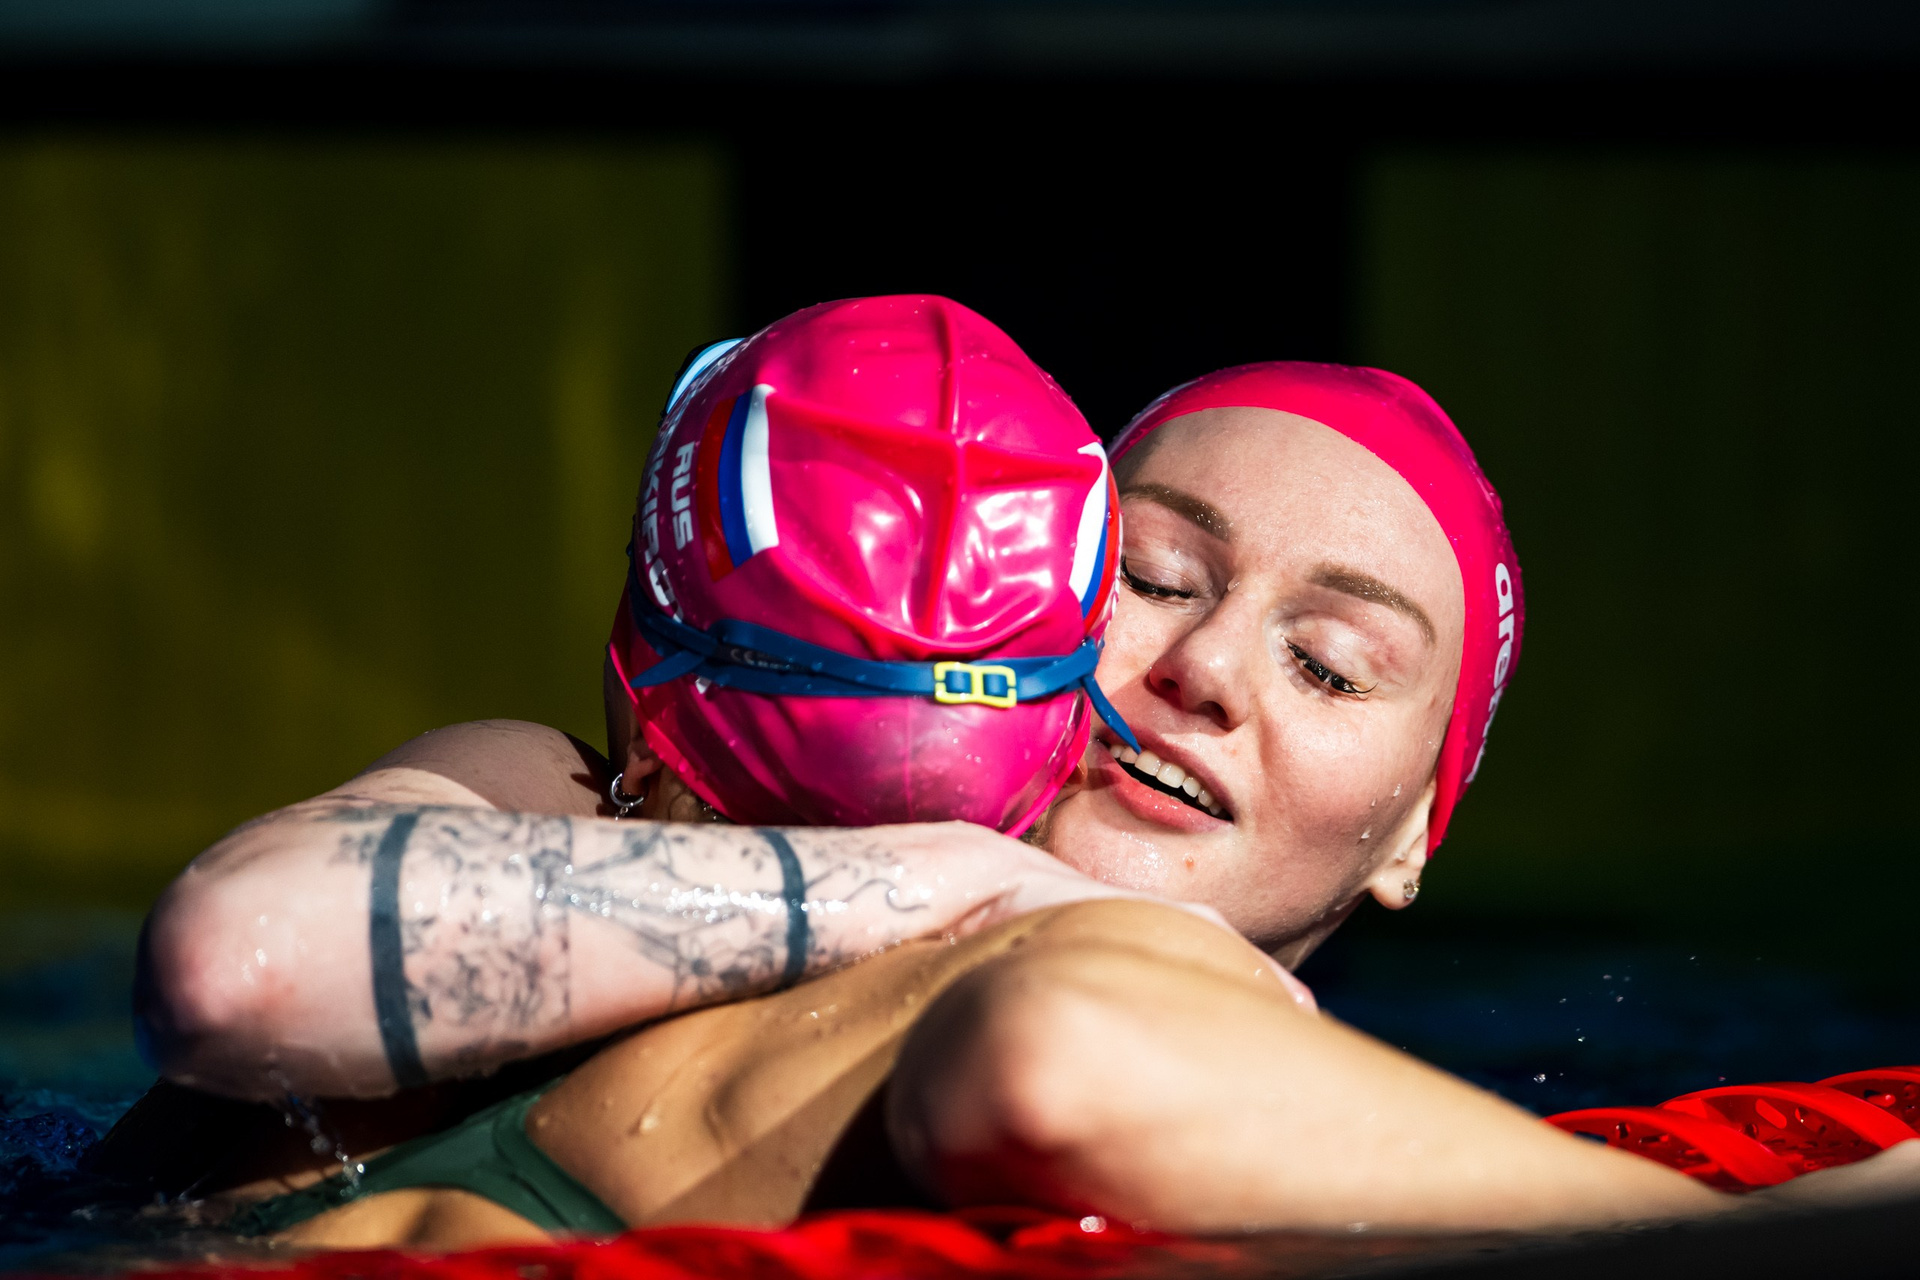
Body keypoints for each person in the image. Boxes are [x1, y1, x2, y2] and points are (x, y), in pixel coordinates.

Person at [128, 335, 1914, 1249]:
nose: (1207, 666)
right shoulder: (601, 793)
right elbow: (238, 962)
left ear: (1411, 839)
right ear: (1017, 591)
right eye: (1149, 573)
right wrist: (975, 884)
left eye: (1329, 665)